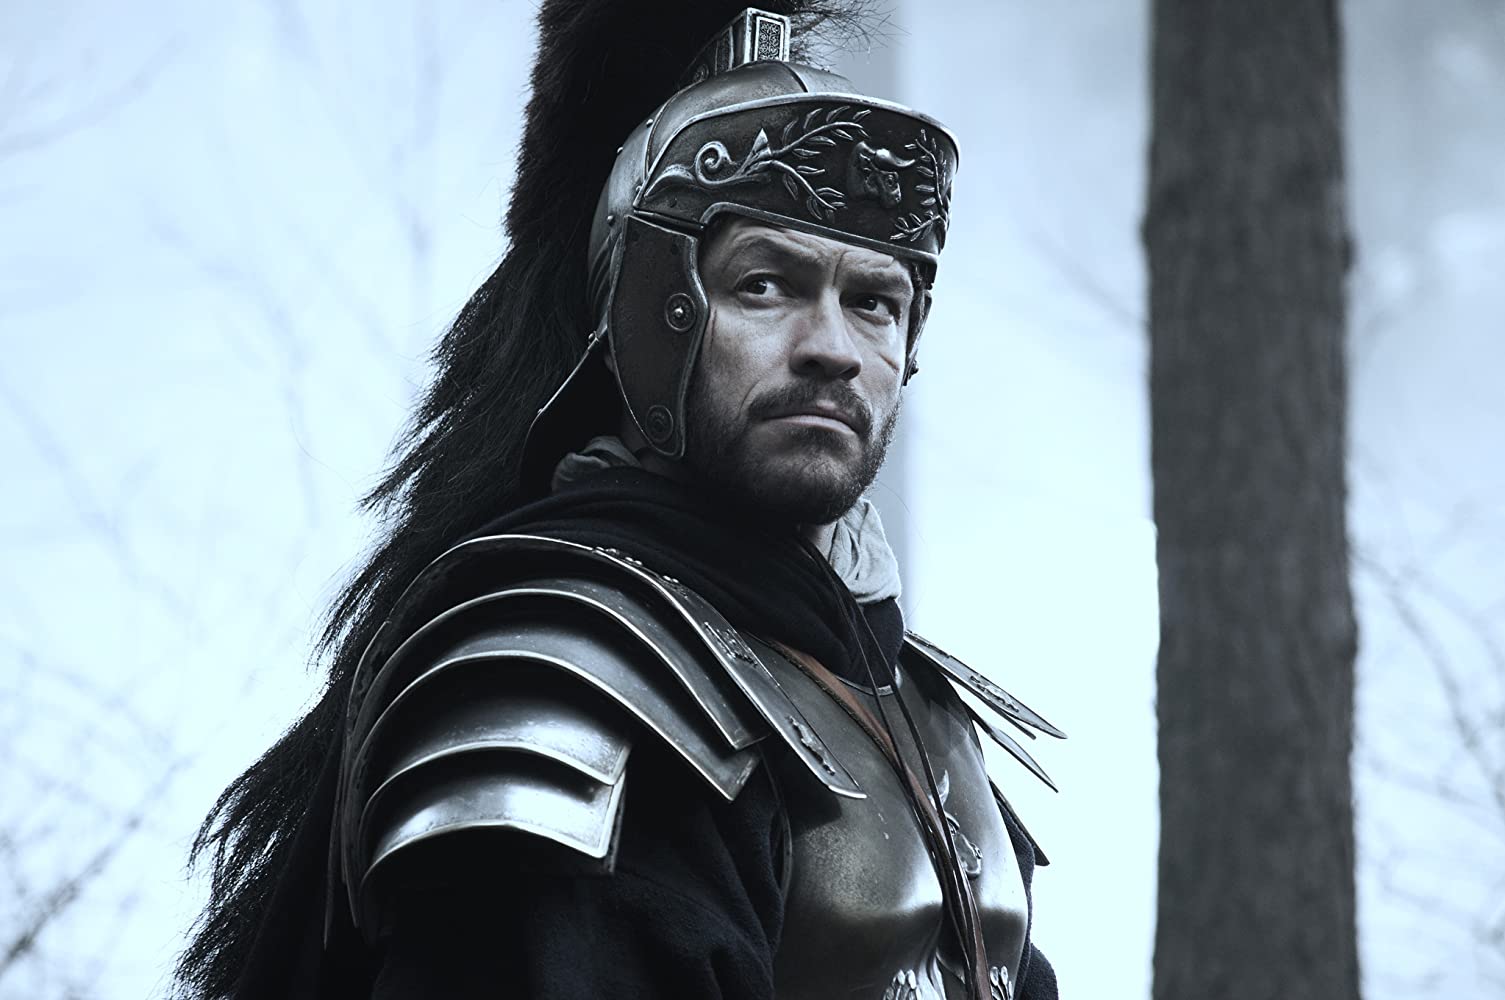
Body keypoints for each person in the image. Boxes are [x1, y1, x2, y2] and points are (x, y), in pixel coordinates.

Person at [175, 4, 1064, 999]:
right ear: (654, 313)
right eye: (766, 285)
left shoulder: (918, 710)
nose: (832, 348)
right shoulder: (572, 684)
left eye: (873, 302)